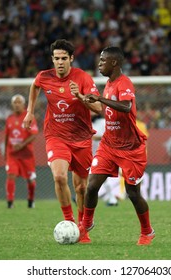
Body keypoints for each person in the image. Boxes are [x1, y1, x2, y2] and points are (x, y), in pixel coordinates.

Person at [23, 39, 102, 243]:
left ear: (71, 59)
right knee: (59, 177)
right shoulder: (44, 76)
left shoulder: (83, 78)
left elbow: (98, 109)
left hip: (81, 138)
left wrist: (81, 97)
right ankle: (69, 222)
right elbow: (34, 86)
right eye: (56, 58)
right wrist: (30, 111)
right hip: (55, 136)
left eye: (64, 58)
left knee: (82, 188)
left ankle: (84, 226)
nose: (60, 62)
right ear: (52, 59)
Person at [79, 46, 155, 246]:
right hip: (109, 144)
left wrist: (100, 99)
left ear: (114, 63)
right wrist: (84, 100)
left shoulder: (124, 83)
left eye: (103, 61)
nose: (99, 64)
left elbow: (126, 106)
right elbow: (106, 111)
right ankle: (85, 226)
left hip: (131, 148)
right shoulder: (108, 84)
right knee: (92, 186)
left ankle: (147, 231)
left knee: (132, 193)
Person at [4, 94, 39, 209]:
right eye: (15, 102)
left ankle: (31, 200)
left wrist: (22, 145)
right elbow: (6, 137)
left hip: (26, 155)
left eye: (19, 102)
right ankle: (10, 203)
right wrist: (5, 152)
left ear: (24, 104)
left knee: (30, 179)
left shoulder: (29, 117)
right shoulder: (9, 118)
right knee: (11, 175)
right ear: (12, 105)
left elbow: (34, 134)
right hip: (12, 154)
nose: (17, 104)